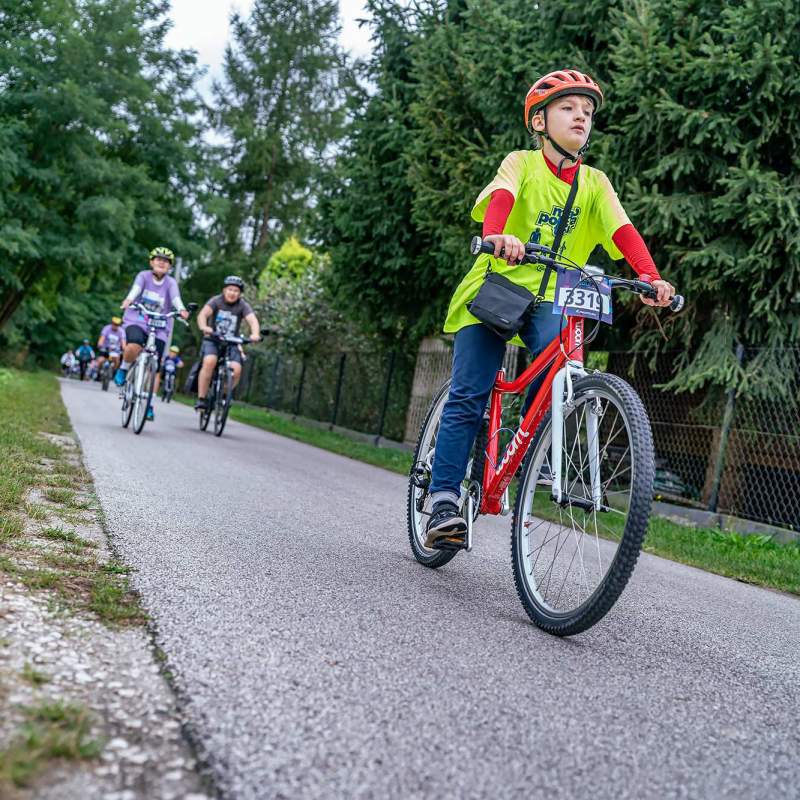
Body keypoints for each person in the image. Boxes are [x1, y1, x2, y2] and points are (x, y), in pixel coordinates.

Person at [424, 69, 677, 549]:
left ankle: (523, 462)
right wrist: (498, 236)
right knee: (471, 392)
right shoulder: (521, 162)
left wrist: (649, 276)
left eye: (587, 111)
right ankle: (442, 500)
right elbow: (501, 198)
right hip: (497, 286)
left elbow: (622, 232)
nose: (581, 116)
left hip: (551, 298)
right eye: (568, 108)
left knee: (558, 382)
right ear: (539, 122)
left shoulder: (595, 183)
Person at [114, 246, 189, 422]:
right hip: (137, 321)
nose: (161, 262)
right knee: (133, 346)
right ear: (151, 262)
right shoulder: (143, 276)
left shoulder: (171, 283)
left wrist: (182, 309)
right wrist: (129, 300)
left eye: (166, 261)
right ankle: (123, 370)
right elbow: (136, 289)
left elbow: (176, 298)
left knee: (154, 366)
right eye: (158, 259)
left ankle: (148, 404)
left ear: (169, 267)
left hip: (160, 326)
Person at [194, 276, 260, 410]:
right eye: (230, 289)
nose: (232, 293)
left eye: (236, 291)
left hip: (232, 342)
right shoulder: (216, 301)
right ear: (224, 290)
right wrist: (204, 327)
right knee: (210, 361)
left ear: (240, 293)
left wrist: (255, 334)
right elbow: (203, 315)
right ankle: (201, 399)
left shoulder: (242, 305)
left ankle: (223, 395)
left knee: (236, 369)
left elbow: (253, 320)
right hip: (213, 340)